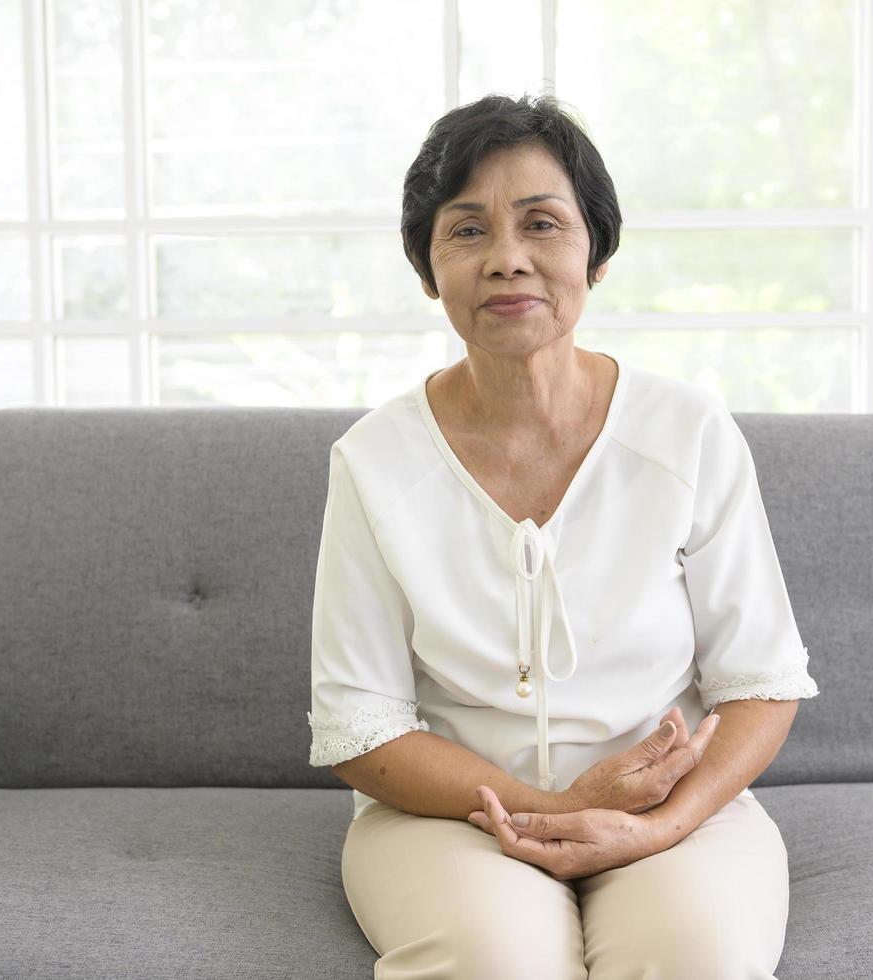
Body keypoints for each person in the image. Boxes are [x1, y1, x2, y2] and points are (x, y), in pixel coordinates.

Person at [306, 92, 820, 979]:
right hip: (448, 818)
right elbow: (361, 728)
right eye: (466, 232)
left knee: (698, 956)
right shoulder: (373, 460)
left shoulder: (688, 433)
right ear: (429, 271)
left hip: (673, 804)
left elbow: (760, 683)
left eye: (541, 224)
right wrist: (548, 805)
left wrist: (655, 822)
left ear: (597, 252)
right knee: (492, 960)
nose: (507, 260)